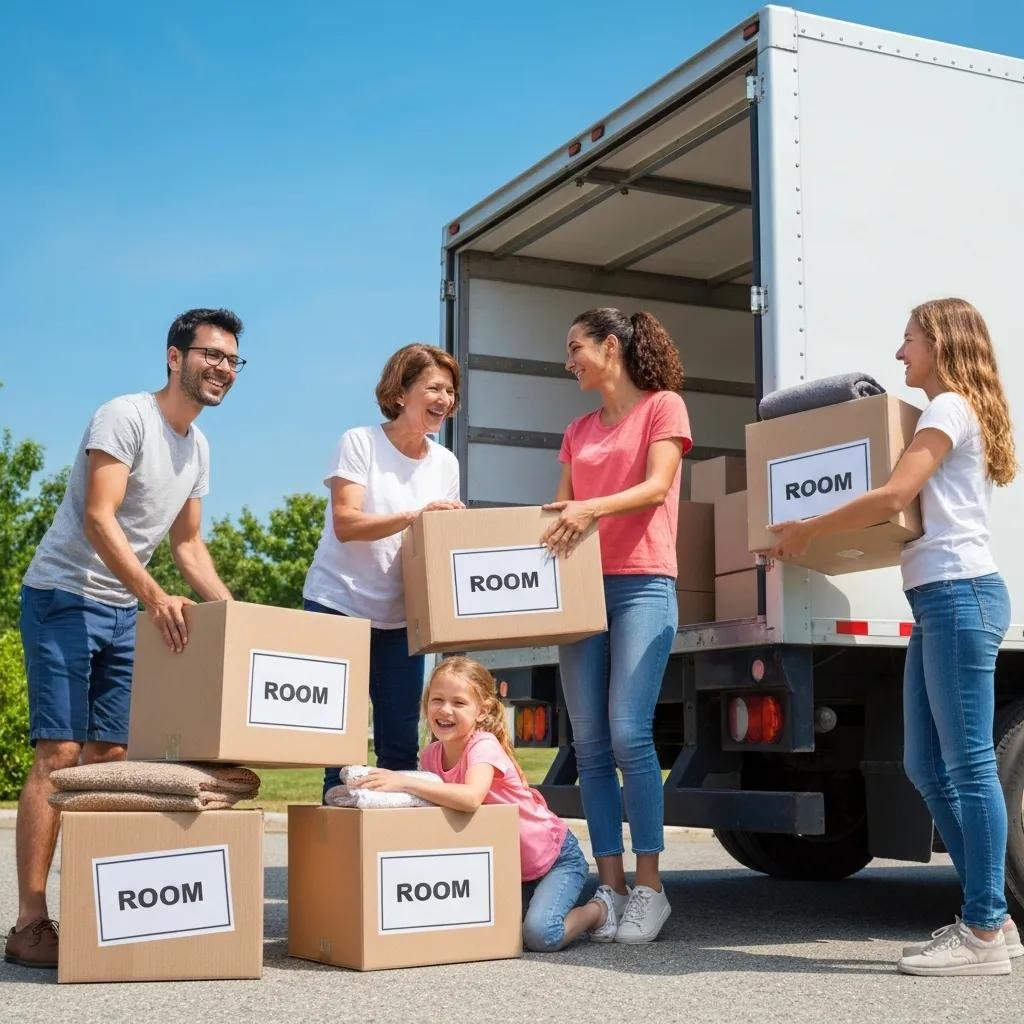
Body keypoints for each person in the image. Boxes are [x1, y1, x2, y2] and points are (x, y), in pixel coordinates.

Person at [767, 298, 1019, 977]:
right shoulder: (951, 409)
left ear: (940, 342)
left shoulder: (947, 408)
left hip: (960, 595)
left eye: (909, 340)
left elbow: (891, 495)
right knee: (924, 767)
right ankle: (988, 915)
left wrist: (807, 529)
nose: (900, 352)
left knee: (966, 767)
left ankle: (986, 930)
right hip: (940, 599)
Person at [6, 308, 243, 968]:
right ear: (175, 357)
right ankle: (30, 922)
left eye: (232, 360)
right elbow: (98, 517)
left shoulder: (198, 447)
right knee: (60, 751)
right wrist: (154, 595)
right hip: (63, 596)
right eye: (211, 355)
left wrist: (237, 617)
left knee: (110, 759)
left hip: (122, 610)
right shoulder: (126, 416)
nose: (223, 367)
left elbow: (188, 545)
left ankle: (91, 907)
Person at [540, 307, 691, 944]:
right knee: (591, 743)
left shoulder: (664, 408)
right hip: (581, 590)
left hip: (642, 584)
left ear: (611, 346)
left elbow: (657, 488)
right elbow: (560, 510)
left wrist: (587, 509)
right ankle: (613, 883)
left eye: (576, 347)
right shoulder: (576, 429)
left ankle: (651, 886)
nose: (569, 359)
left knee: (631, 732)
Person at [354, 656, 617, 952]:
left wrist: (403, 781)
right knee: (485, 928)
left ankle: (599, 910)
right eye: (437, 700)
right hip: (513, 868)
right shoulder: (431, 756)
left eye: (459, 703)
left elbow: (470, 797)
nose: (445, 710)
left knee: (541, 934)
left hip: (554, 859)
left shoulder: (483, 746)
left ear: (482, 711)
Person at [302, 344, 463, 797]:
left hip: (399, 618)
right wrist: (416, 515)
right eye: (433, 388)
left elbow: (436, 546)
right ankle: (335, 854)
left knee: (399, 747)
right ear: (400, 391)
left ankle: (389, 852)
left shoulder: (445, 463)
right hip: (338, 604)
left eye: (450, 391)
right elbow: (346, 523)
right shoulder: (359, 443)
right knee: (338, 745)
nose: (444, 400)